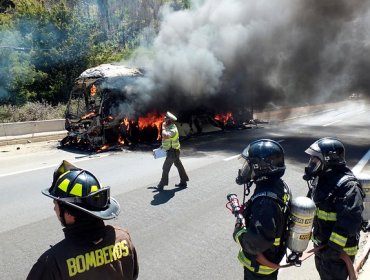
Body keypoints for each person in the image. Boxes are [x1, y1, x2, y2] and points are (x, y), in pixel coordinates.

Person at [27, 160, 139, 280]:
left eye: (56, 203)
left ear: (70, 214)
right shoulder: (123, 238)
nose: (54, 209)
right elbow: (133, 275)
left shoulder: (52, 263)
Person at [303, 137, 364, 280]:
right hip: (324, 251)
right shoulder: (321, 179)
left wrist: (332, 250)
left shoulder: (348, 187)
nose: (312, 164)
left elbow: (350, 222)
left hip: (338, 256)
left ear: (329, 160)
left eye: (315, 160)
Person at [233, 139, 291, 280]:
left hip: (259, 270)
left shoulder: (265, 202)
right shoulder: (278, 186)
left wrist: (238, 230)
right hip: (270, 262)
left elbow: (254, 244)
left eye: (249, 165)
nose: (246, 169)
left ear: (261, 167)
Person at [157, 111, 189, 190]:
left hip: (172, 152)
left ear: (169, 120)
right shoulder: (169, 127)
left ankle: (161, 184)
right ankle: (184, 181)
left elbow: (166, 136)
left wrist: (163, 128)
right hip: (174, 151)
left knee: (165, 167)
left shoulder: (173, 129)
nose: (164, 119)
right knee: (179, 166)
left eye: (166, 118)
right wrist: (162, 146)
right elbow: (168, 140)